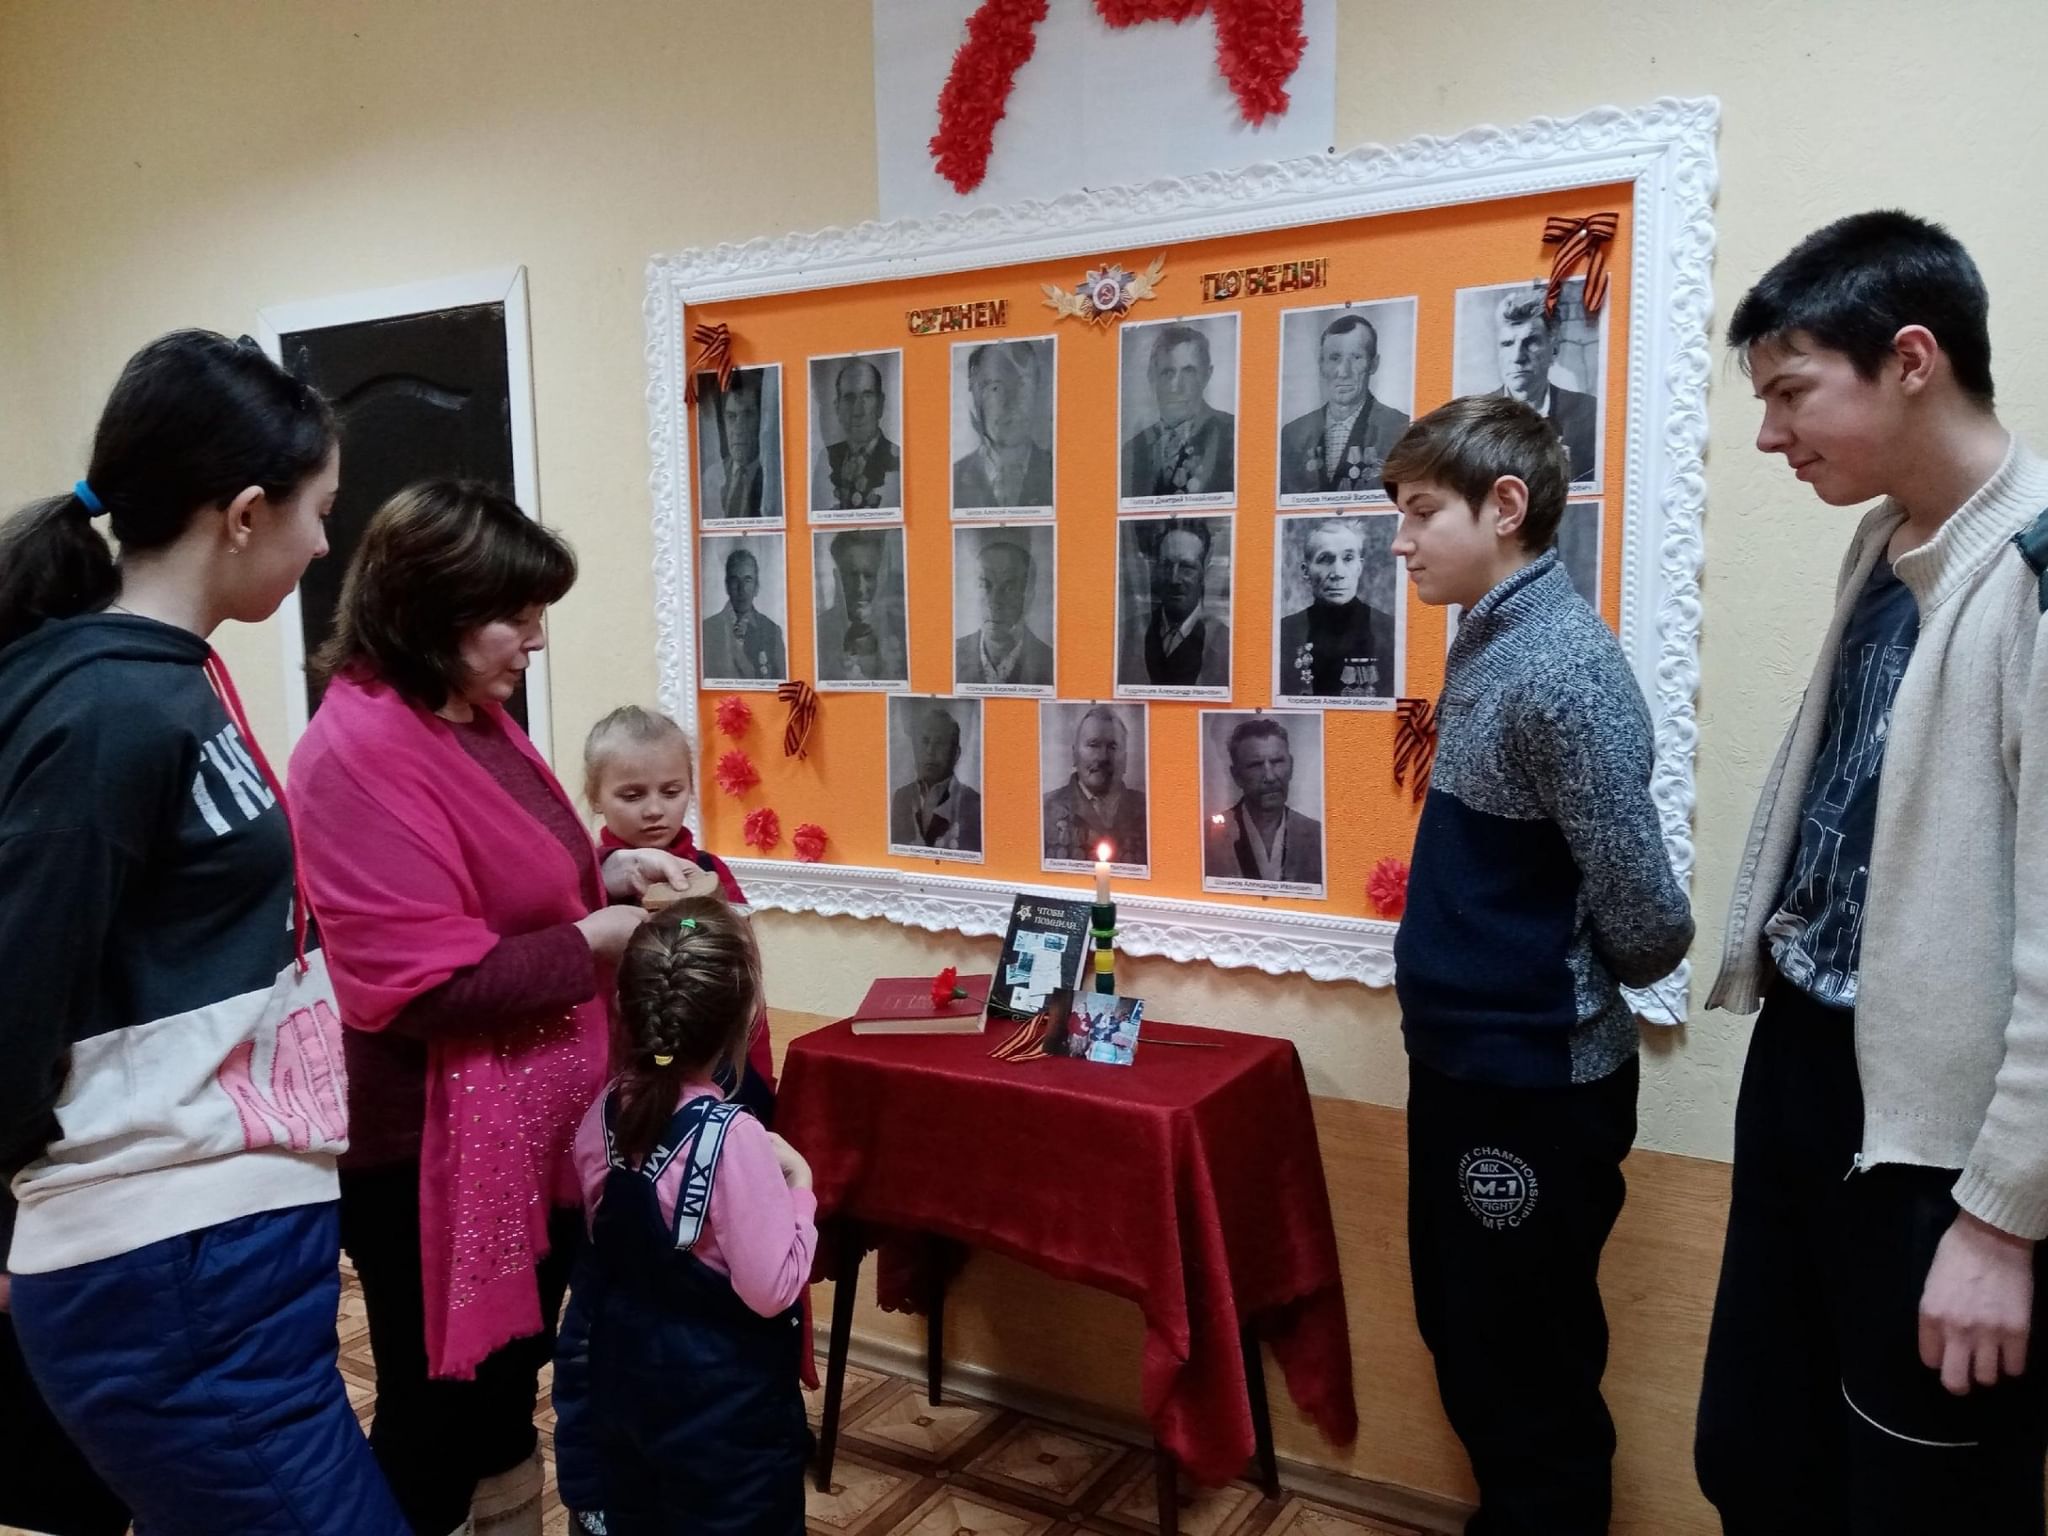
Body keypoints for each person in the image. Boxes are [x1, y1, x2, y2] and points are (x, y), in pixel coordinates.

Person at [0, 330, 408, 1535]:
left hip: (221, 1255)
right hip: (166, 1268)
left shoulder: (166, 678)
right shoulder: (108, 709)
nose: (326, 544)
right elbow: (14, 996)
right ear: (241, 515)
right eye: (318, 511)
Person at [1694, 212, 2048, 1534]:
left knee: (1918, 1493)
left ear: (1909, 360)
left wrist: (2001, 1220)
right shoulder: (1889, 541)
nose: (1771, 436)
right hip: (1807, 1059)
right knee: (1754, 1452)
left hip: (1937, 1142)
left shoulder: (2031, 575)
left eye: (1791, 393)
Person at [290, 480, 696, 1536]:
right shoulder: (356, 753)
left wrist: (609, 878)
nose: (537, 640)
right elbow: (424, 985)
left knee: (507, 1387)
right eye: (513, 617)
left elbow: (514, 887)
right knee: (436, 1414)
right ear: (427, 610)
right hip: (424, 1148)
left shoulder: (472, 715)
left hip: (530, 1125)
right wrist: (592, 942)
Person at [1383, 392, 1693, 1534]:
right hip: (1467, 1066)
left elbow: (1648, 924)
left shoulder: (1562, 671)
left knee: (1526, 1369)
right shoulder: (1489, 638)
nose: (1401, 540)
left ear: (1504, 506)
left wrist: (1540, 971)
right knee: (1469, 1337)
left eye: (1422, 512)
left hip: (1534, 1081)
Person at [553, 898, 816, 1536]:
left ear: (626, 1006)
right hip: (725, 1435)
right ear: (746, 1017)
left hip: (626, 1401)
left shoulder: (604, 1112)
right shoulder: (734, 1139)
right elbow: (771, 1288)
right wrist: (801, 1190)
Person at [582, 704, 779, 1122]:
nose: (655, 810)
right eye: (632, 795)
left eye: (671, 792)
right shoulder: (586, 886)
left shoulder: (711, 874)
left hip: (718, 1070)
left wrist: (757, 1071)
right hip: (622, 1073)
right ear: (595, 796)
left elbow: (743, 983)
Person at [1279, 313, 1410, 496]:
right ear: (1321, 364)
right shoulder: (1292, 434)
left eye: (1356, 357)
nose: (1343, 372)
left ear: (1373, 364)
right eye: (1334, 358)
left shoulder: (1400, 430)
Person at [1277, 517, 1397, 700]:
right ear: (1306, 571)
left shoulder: (1390, 630)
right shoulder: (1284, 632)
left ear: (1359, 567)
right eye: (1325, 559)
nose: (1338, 573)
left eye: (1348, 558)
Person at [1491, 286, 1597, 485]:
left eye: (1530, 342)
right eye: (1507, 344)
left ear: (1554, 349)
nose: (1517, 357)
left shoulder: (1590, 414)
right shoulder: (1476, 420)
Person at [1201, 717, 1324, 885]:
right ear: (1236, 775)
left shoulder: (1318, 835)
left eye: (1277, 762)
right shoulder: (1207, 837)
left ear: (1291, 766)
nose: (1270, 777)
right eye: (1256, 765)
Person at [1122, 324, 1236, 498]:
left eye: (1188, 372)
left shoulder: (1234, 435)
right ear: (1152, 378)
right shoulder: (1131, 450)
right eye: (1168, 373)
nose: (1176, 387)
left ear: (1207, 375)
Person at [1119, 518, 1231, 688]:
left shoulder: (1225, 644)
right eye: (1167, 565)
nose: (1174, 579)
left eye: (1186, 567)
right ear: (1157, 570)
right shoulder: (1128, 635)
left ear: (1203, 574)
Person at [1042, 704, 1148, 866]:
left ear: (1125, 760)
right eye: (1093, 745)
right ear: (1074, 754)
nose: (1102, 757)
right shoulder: (1044, 810)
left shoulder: (1147, 809)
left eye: (1112, 747)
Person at [954, 341, 1055, 510]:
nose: (1011, 402)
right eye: (995, 388)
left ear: (1037, 390)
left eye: (1022, 385)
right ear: (976, 396)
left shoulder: (1060, 471)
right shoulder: (952, 480)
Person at [954, 537, 1054, 687]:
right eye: (985, 585)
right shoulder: (951, 655)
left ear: (1029, 595)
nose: (994, 601)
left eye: (1009, 588)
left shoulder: (1051, 663)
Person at [816, 528, 907, 683]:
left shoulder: (902, 630)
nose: (861, 588)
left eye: (869, 576)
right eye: (852, 576)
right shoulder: (819, 630)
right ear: (837, 577)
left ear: (882, 577)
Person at [811, 357, 901, 512]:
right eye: (849, 398)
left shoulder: (897, 458)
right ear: (837, 407)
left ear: (880, 404)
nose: (858, 411)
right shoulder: (825, 458)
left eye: (867, 396)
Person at [890, 705, 983, 853]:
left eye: (940, 743)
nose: (930, 751)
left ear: (956, 753)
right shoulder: (902, 797)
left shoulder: (974, 803)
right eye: (925, 741)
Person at [701, 545, 785, 681]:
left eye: (748, 580)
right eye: (735, 580)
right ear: (727, 586)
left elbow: (782, 683)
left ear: (756, 587)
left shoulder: (772, 631)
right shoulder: (706, 630)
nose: (742, 589)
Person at [702, 370, 773, 520]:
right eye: (731, 417)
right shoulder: (711, 478)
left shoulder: (774, 475)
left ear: (762, 420)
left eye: (748, 415)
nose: (739, 429)